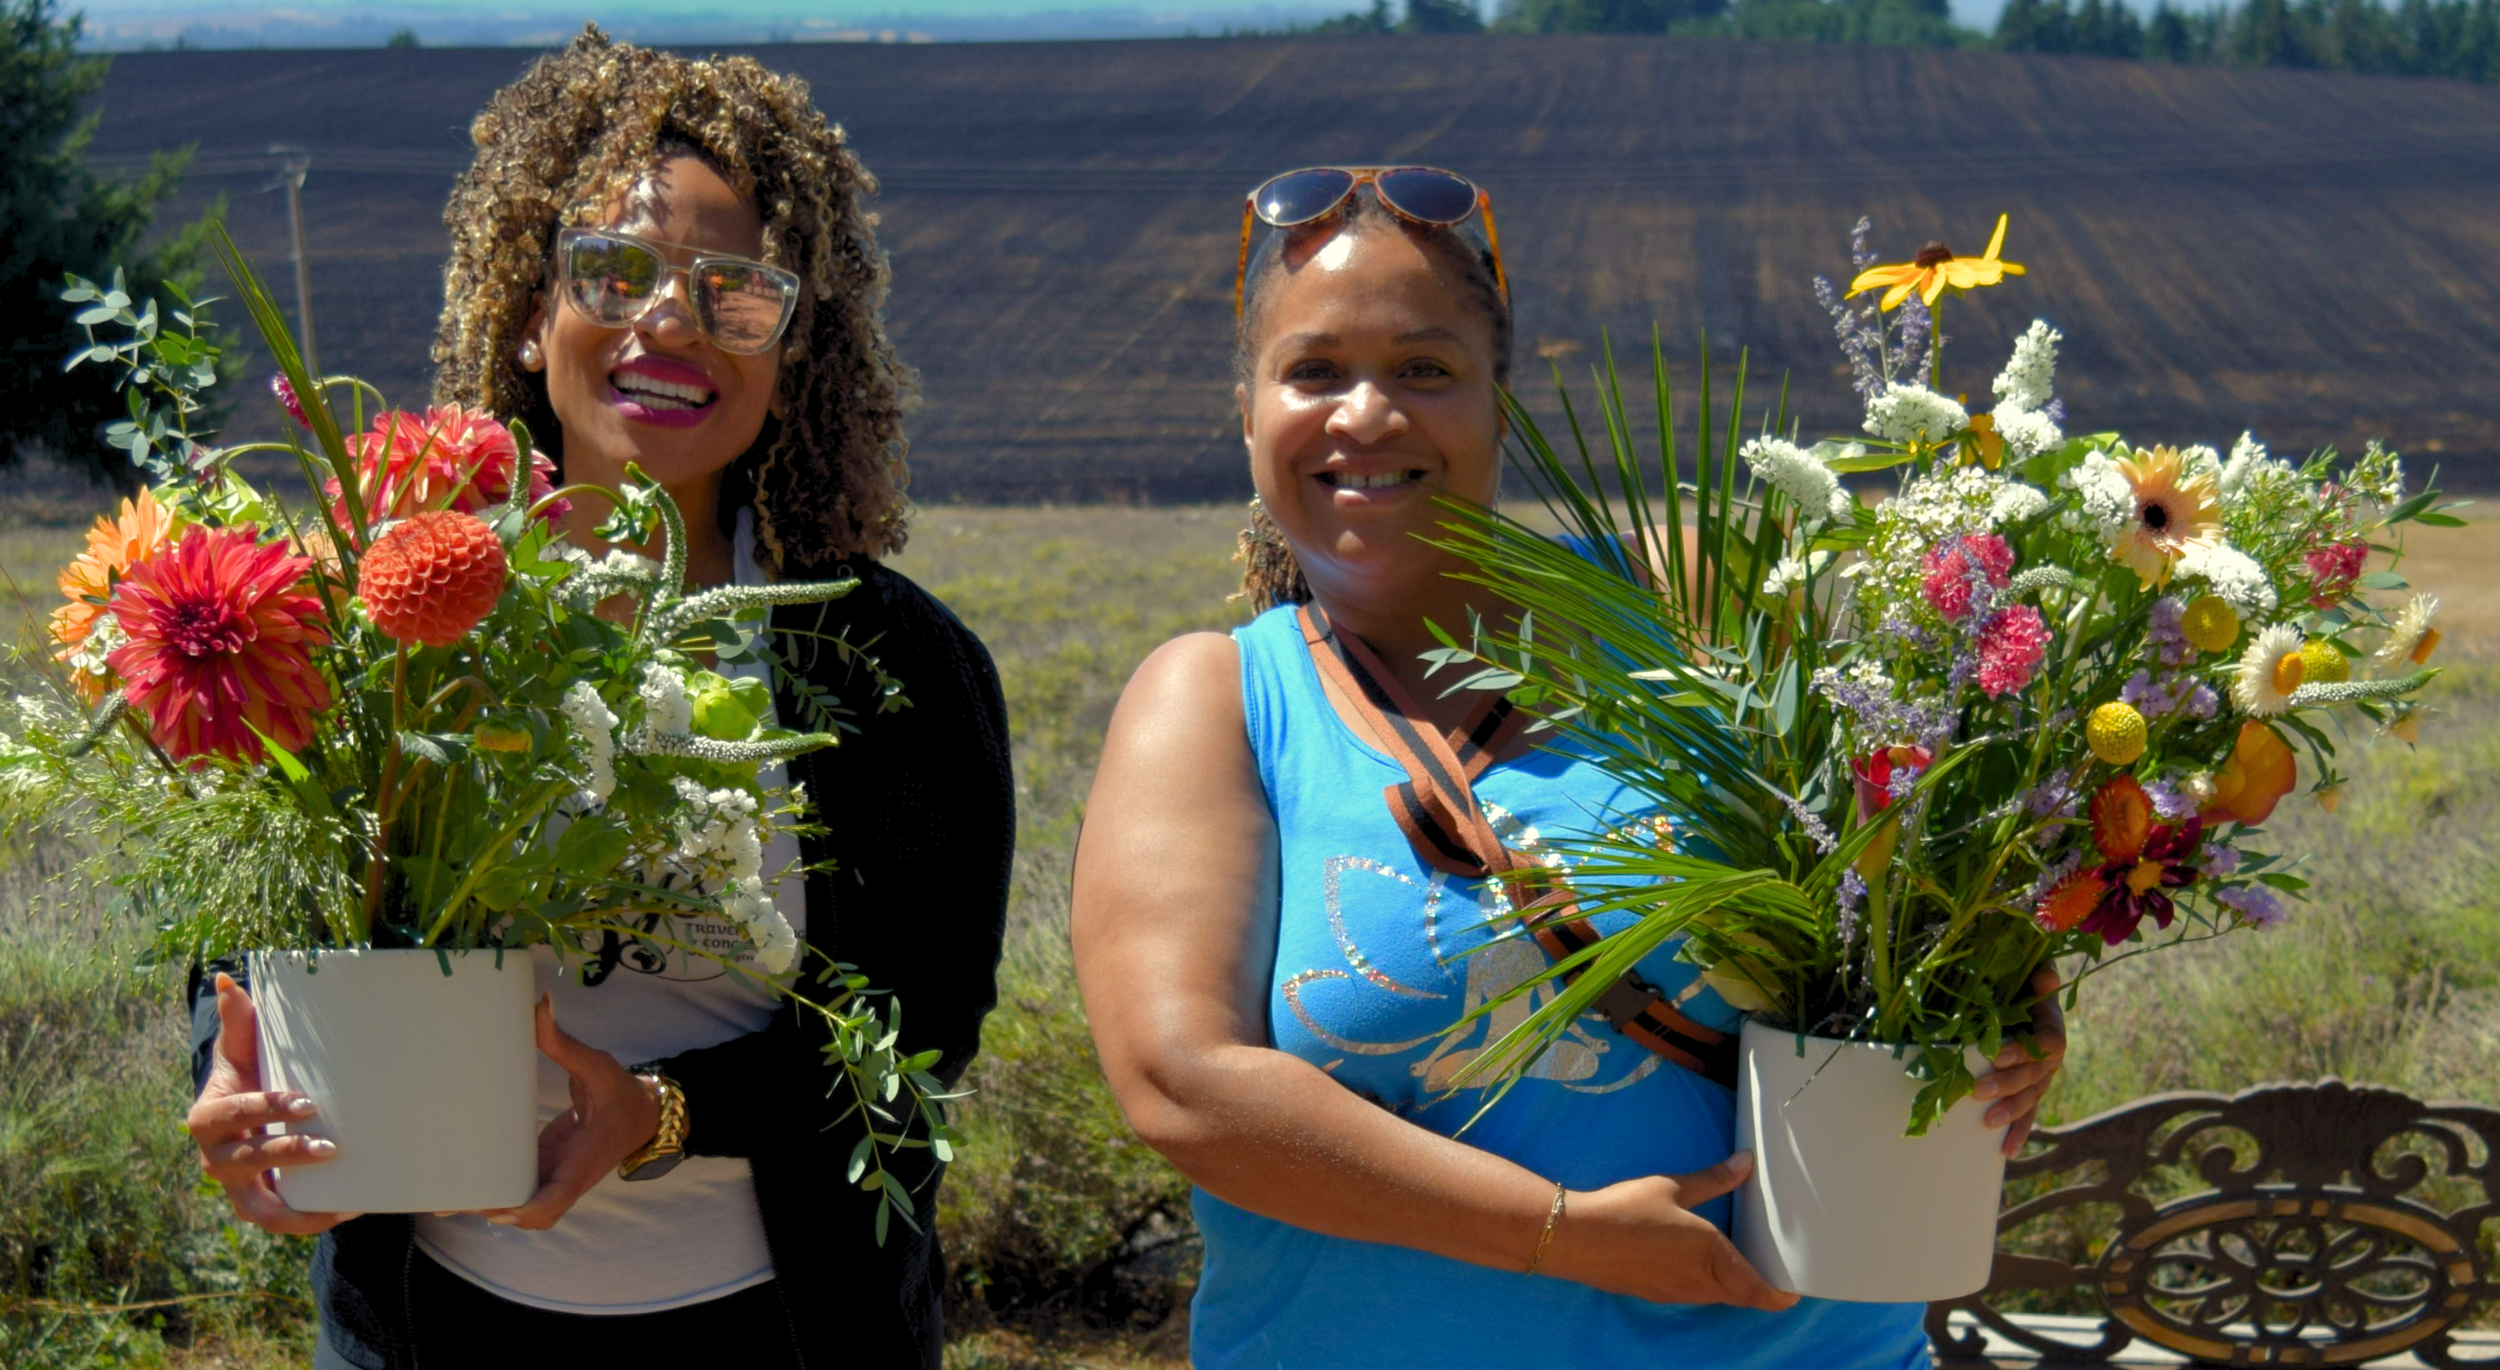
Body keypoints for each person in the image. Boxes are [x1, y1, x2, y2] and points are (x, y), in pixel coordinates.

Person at [1068, 170, 2066, 1368]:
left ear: (1501, 402)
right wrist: (1562, 1234)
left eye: (1425, 368)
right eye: (1314, 370)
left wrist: (2012, 991)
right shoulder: (1219, 700)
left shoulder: (1690, 597)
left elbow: (1917, 830)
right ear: (1248, 412)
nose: (1366, 413)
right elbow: (1183, 1084)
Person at [181, 29, 1013, 1369]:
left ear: (795, 347)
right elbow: (248, 937)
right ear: (526, 307)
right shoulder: (376, 621)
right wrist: (231, 1082)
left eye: (736, 293)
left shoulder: (899, 667)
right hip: (435, 1324)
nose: (669, 320)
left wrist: (664, 1110)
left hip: (779, 1331)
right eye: (611, 271)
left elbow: (924, 1037)